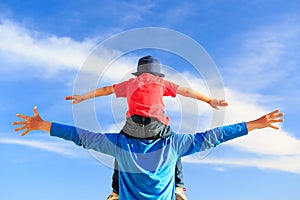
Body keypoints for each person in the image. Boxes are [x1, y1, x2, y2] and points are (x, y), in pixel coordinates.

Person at [13, 106, 283, 200]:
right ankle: (179, 189)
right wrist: (255, 124)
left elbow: (80, 136)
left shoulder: (120, 143)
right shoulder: (173, 143)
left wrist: (42, 125)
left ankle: (119, 192)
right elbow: (215, 136)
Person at [65, 55, 228, 200]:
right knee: (175, 146)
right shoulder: (161, 82)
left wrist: (83, 97)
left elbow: (107, 90)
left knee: (119, 149)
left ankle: (116, 191)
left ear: (139, 72)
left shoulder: (130, 83)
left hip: (133, 125)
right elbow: (185, 91)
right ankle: (179, 186)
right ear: (156, 73)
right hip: (157, 125)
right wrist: (209, 100)